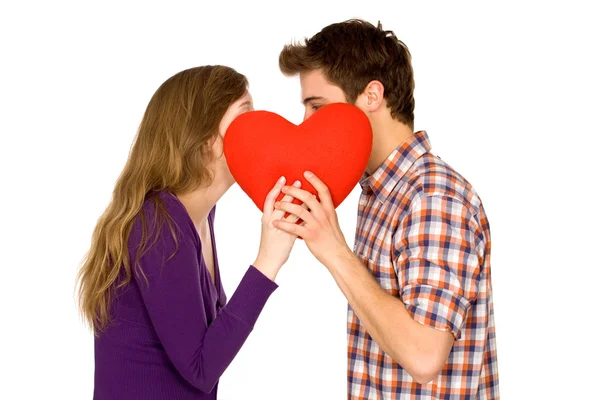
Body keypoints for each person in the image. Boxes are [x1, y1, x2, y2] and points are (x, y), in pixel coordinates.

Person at [275, 19, 499, 399]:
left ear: (372, 96)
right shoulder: (380, 191)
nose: (305, 124)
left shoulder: (434, 197)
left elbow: (424, 355)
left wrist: (333, 249)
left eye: (318, 106)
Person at [76, 65, 302, 399]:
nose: (261, 131)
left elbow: (209, 341)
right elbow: (200, 368)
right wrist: (267, 261)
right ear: (206, 137)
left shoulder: (199, 218)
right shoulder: (157, 223)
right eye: (245, 117)